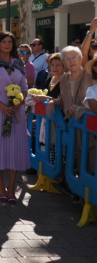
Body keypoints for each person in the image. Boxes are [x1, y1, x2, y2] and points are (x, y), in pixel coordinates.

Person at [0, 32, 29, 204]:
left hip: (17, 112)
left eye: (10, 41)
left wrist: (19, 102)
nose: (7, 44)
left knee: (14, 148)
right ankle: (0, 187)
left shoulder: (19, 63)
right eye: (4, 41)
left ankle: (11, 189)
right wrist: (1, 106)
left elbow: (24, 87)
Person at [47, 46, 94, 174]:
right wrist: (54, 101)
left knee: (91, 155)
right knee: (78, 156)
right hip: (74, 124)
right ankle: (81, 188)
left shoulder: (90, 76)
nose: (71, 61)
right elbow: (65, 97)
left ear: (81, 59)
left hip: (89, 124)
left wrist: (81, 108)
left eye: (74, 57)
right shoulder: (64, 78)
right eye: (67, 59)